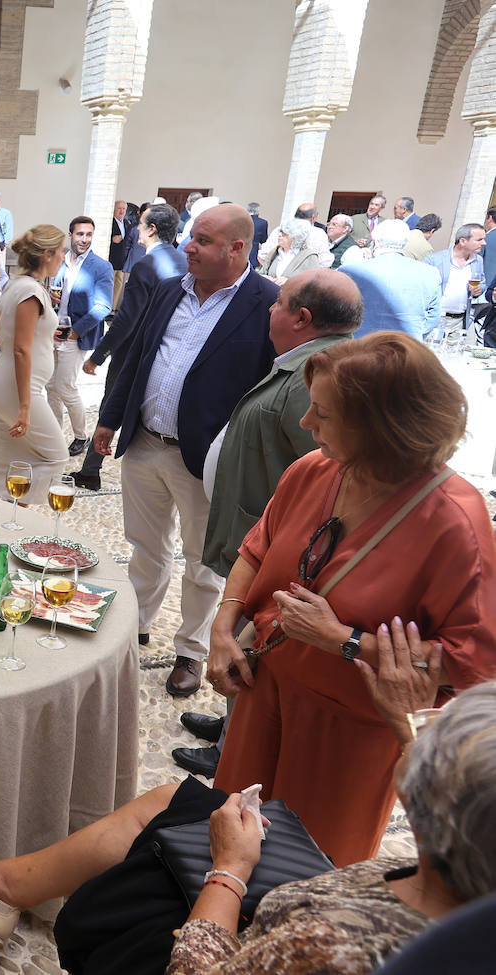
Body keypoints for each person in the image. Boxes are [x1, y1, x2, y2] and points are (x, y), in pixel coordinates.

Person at [0, 664, 496, 973]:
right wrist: (403, 724)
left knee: (170, 844)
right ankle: (5, 888)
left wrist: (229, 869)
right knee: (188, 801)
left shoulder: (333, 947)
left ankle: (7, 890)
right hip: (276, 916)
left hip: (209, 951)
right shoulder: (465, 904)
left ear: (423, 799)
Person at [207, 331, 496, 866]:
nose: (305, 424)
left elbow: (475, 664)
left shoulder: (455, 522)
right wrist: (223, 629)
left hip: (347, 733)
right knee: (226, 842)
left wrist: (343, 641)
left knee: (306, 874)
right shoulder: (313, 470)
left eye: (323, 413)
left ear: (383, 428)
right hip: (262, 692)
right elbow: (257, 547)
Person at [176, 269, 363, 778]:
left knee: (252, 648)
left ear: (302, 318)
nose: (268, 310)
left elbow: (327, 477)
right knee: (239, 641)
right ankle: (232, 726)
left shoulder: (320, 374)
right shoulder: (302, 362)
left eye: (278, 303)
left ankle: (232, 746)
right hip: (256, 538)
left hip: (279, 555)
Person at [93, 204, 277, 694]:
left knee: (202, 561)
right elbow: (139, 356)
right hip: (146, 443)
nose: (188, 247)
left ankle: (191, 651)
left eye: (202, 240)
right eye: (191, 237)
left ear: (237, 248)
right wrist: (111, 418)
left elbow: (267, 387)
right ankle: (134, 629)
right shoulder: (173, 289)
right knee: (145, 549)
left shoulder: (265, 303)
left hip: (205, 459)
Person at [74, 203, 186, 491]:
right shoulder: (184, 261)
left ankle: (90, 471)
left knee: (111, 405)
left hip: (133, 349)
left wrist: (98, 355)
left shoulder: (146, 265)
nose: (136, 228)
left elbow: (126, 318)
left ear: (151, 229)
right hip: (169, 350)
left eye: (141, 223)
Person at [0, 225, 67, 503]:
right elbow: (20, 350)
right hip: (19, 389)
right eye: (61, 252)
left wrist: (41, 333)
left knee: (2, 457)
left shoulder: (14, 285)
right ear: (47, 255)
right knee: (56, 456)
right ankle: (16, 512)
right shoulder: (32, 292)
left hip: (0, 383)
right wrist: (26, 406)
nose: (64, 258)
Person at [49, 217, 114, 457]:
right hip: (53, 332)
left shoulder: (101, 266)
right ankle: (54, 434)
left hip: (75, 336)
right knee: (49, 386)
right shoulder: (61, 260)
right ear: (70, 235)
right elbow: (56, 293)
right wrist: (51, 298)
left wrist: (76, 331)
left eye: (88, 235)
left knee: (65, 386)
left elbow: (103, 306)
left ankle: (81, 435)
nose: (84, 239)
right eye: (80, 234)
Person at [339, 219, 441, 339]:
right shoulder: (430, 273)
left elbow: (336, 312)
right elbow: (433, 317)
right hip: (406, 346)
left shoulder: (350, 270)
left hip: (359, 345)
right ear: (405, 243)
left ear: (377, 242)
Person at [423, 222, 485, 343]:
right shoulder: (434, 260)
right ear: (463, 241)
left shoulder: (478, 261)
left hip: (459, 321)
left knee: (453, 356)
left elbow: (482, 283)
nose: (484, 243)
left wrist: (479, 289)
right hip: (436, 319)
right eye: (479, 240)